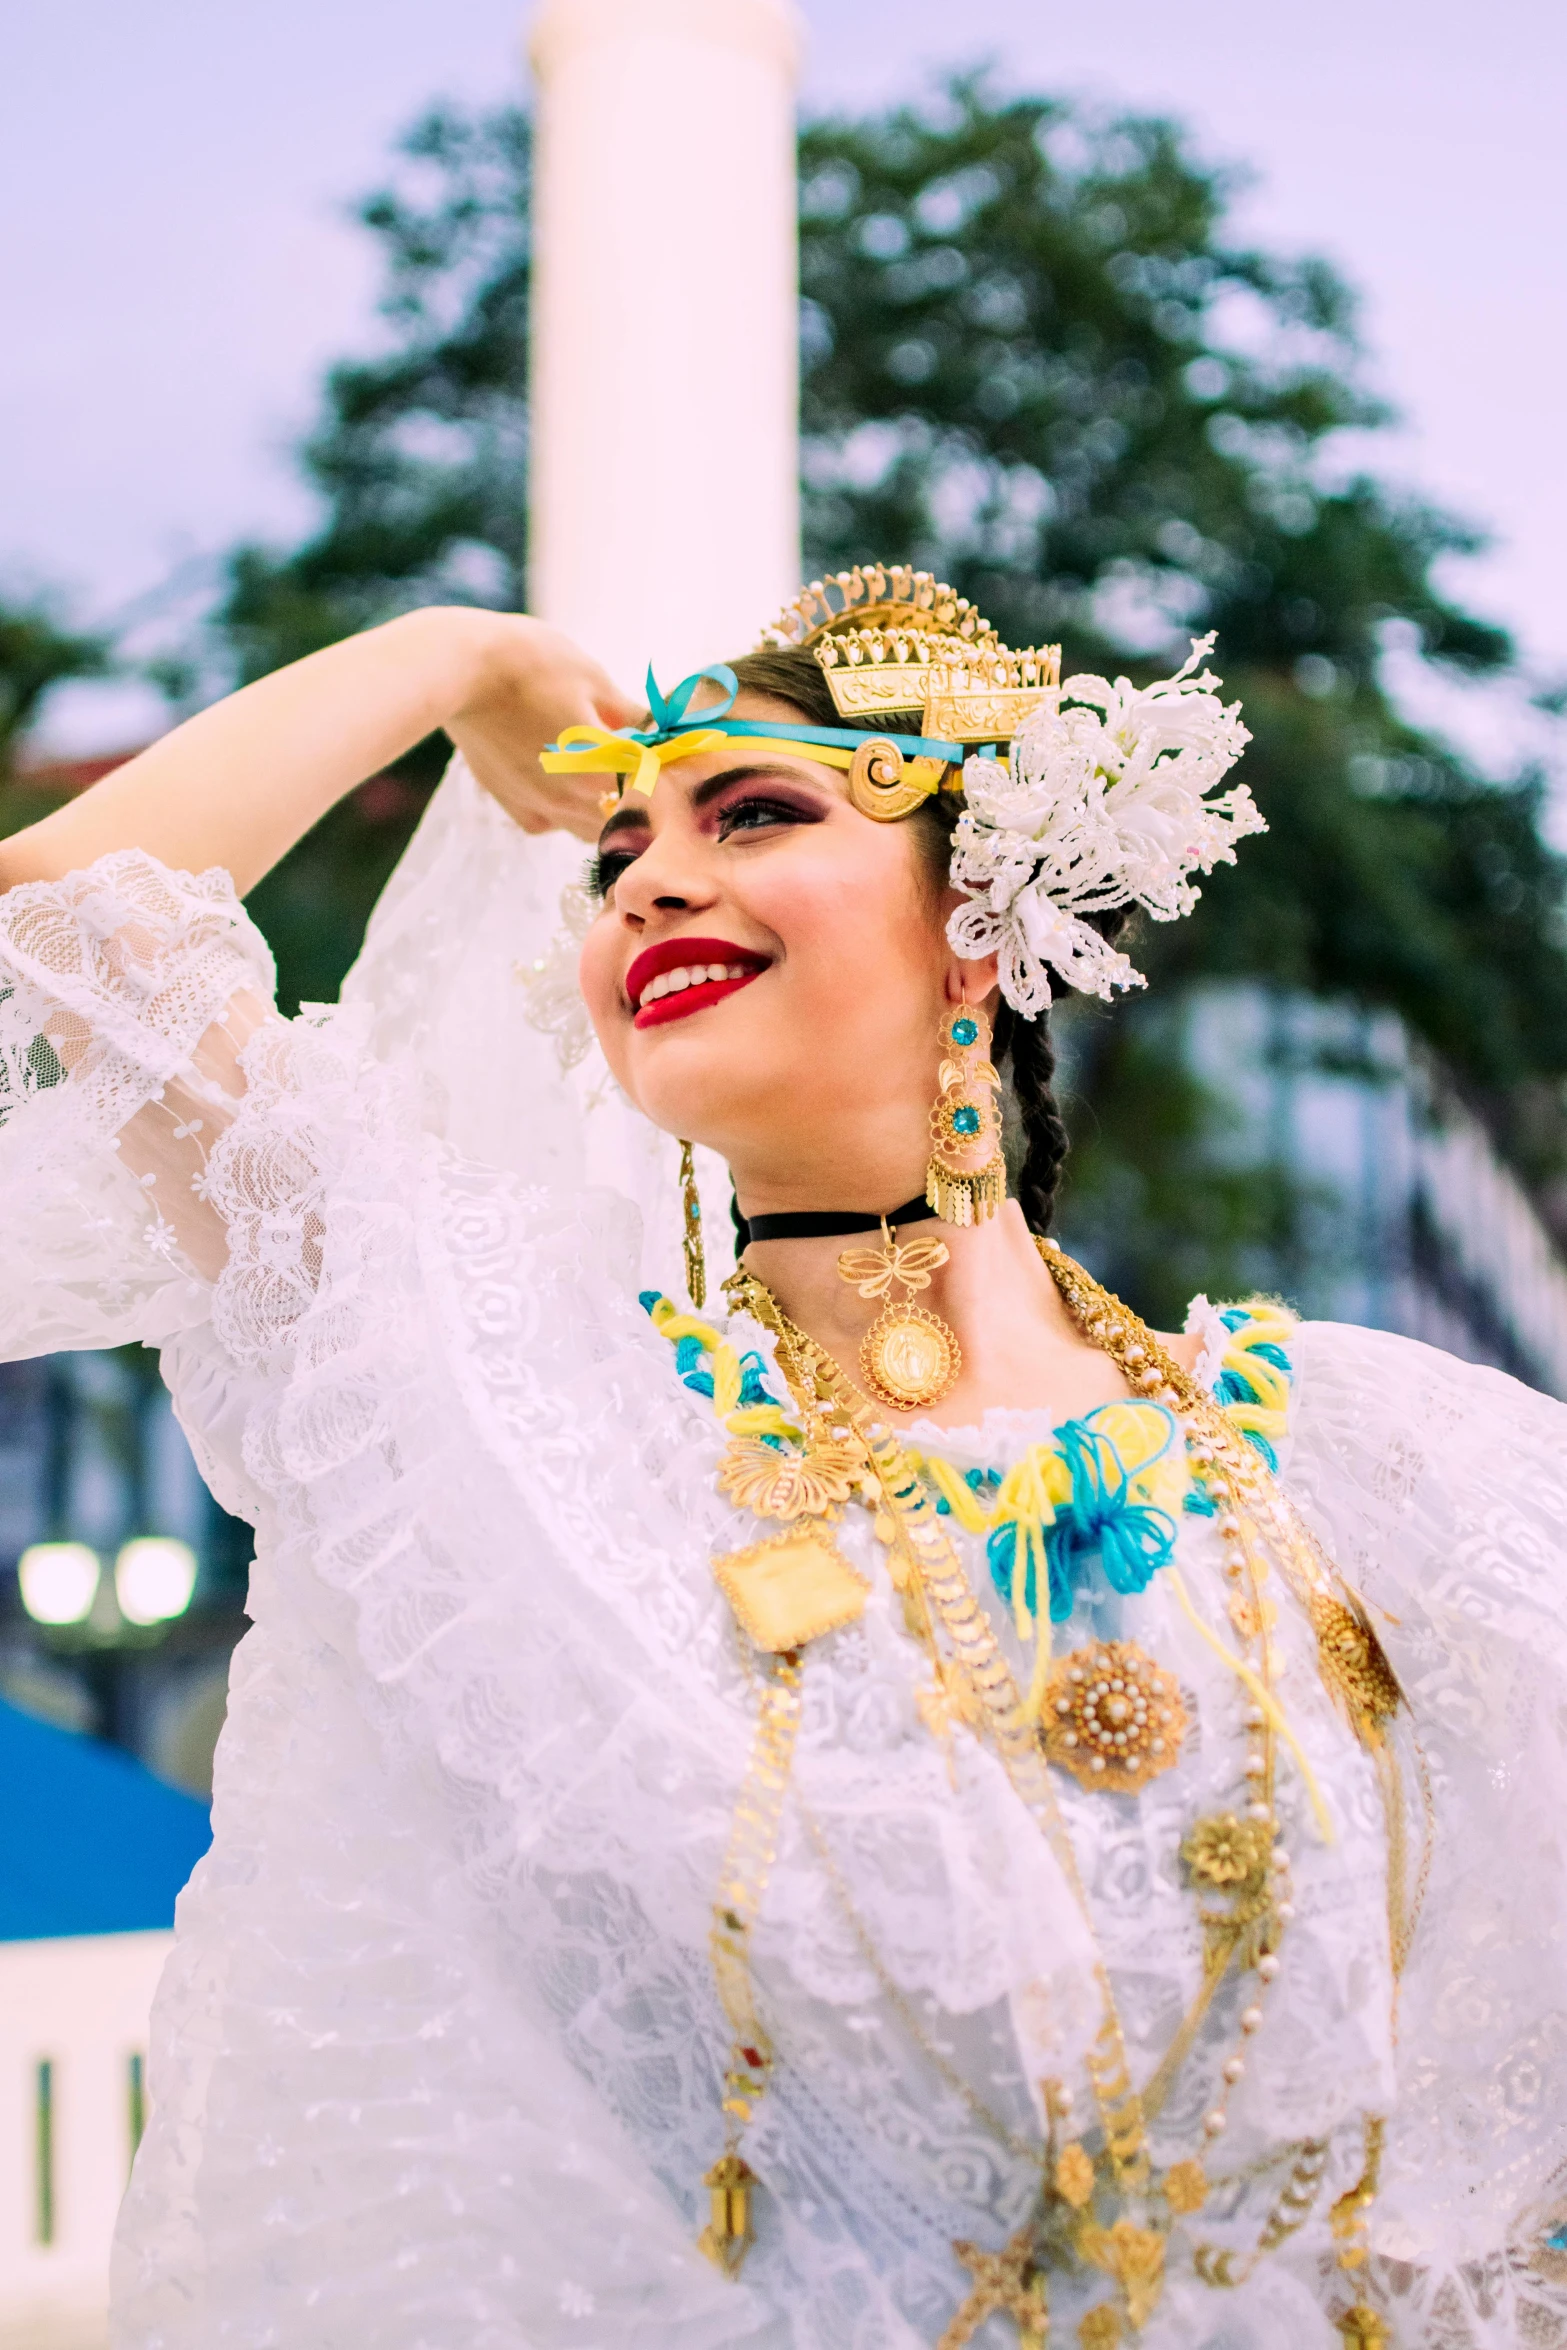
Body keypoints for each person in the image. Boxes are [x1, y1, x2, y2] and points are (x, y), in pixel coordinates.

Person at [1, 565, 1564, 2350]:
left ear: (981, 914)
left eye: (754, 810)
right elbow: (84, 914)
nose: (652, 879)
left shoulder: (1358, 1459)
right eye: (616, 857)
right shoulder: (545, 1426)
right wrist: (469, 654)